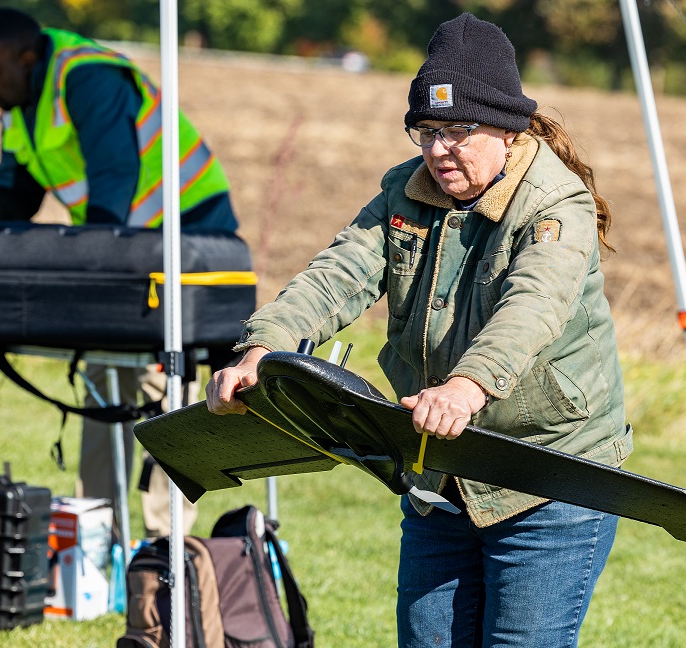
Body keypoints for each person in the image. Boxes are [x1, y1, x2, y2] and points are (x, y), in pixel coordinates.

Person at [207, 12, 631, 647]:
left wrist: (466, 387)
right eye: (425, 131)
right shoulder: (404, 194)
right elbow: (335, 277)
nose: (438, 150)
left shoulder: (554, 204)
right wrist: (259, 352)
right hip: (441, 477)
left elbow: (533, 308)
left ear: (509, 129)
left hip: (551, 479)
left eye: (460, 130)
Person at [0, 7, 239, 537]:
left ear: (25, 58)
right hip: (123, 245)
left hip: (188, 236)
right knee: (104, 381)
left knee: (162, 392)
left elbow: (114, 179)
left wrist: (93, 269)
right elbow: (14, 194)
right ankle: (96, 538)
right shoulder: (21, 100)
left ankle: (162, 545)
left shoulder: (87, 76)